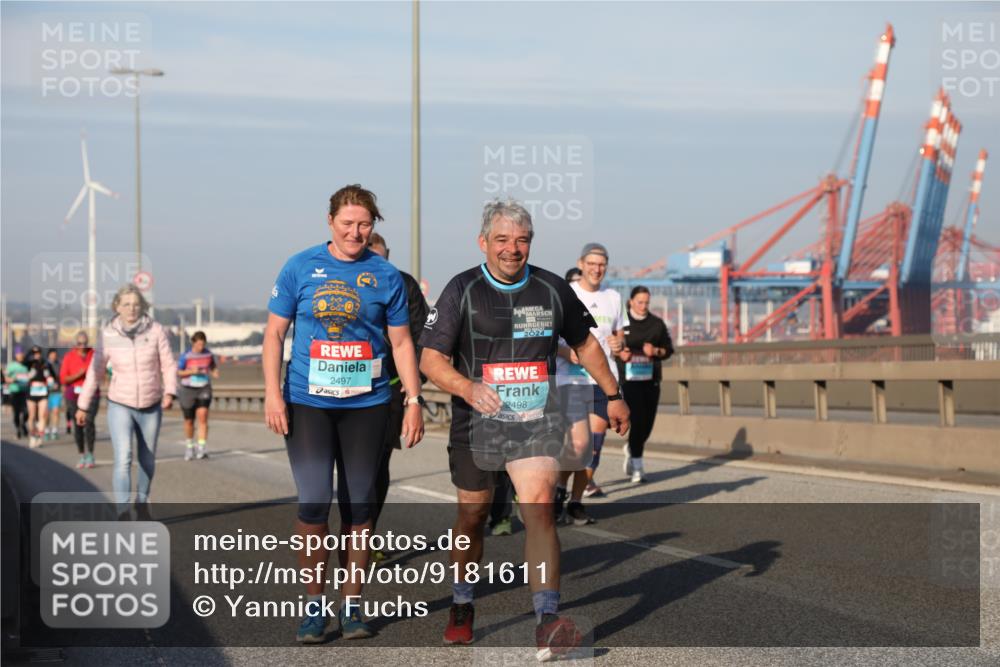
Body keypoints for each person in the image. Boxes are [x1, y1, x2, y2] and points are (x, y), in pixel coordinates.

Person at [419, 198, 629, 660]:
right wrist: (467, 388)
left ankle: (547, 620)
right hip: (477, 423)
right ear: (483, 243)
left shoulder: (553, 288)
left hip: (535, 420)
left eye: (522, 240)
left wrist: (613, 395)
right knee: (472, 516)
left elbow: (587, 346)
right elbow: (430, 359)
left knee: (538, 509)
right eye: (502, 240)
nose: (512, 249)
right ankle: (461, 602)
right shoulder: (462, 289)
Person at [263, 184, 424, 643]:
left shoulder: (386, 276)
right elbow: (275, 335)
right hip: (308, 403)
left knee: (359, 507)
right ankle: (314, 607)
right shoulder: (299, 267)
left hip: (368, 406)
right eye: (348, 223)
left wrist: (412, 400)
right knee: (314, 504)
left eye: (365, 224)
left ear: (374, 226)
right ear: (330, 221)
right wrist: (273, 394)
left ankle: (352, 605)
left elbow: (402, 342)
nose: (356, 232)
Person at [77, 285, 177, 517]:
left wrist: (170, 392)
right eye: (126, 304)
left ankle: (141, 501)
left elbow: (169, 364)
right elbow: (96, 370)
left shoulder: (156, 331)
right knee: (123, 458)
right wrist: (83, 404)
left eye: (135, 304)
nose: (131, 309)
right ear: (116, 307)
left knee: (147, 459)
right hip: (120, 403)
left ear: (142, 306)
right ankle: (122, 510)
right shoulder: (108, 334)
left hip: (151, 403)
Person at [366, 232, 429, 561]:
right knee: (353, 467)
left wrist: (417, 379)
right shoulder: (344, 281)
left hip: (390, 387)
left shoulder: (403, 285)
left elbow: (425, 333)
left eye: (382, 257)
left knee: (377, 466)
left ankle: (365, 534)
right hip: (347, 389)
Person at [554, 243, 627, 525]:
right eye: (592, 263)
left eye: (602, 264)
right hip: (570, 379)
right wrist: (565, 352)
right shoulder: (567, 293)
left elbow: (619, 338)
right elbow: (550, 337)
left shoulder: (614, 297)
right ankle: (559, 491)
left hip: (603, 380)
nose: (597, 269)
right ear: (581, 264)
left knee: (592, 448)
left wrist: (620, 345)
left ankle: (576, 503)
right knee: (577, 445)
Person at [618, 286, 673, 483]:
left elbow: (669, 349)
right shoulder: (621, 323)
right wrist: (619, 353)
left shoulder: (656, 324)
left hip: (651, 381)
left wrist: (656, 351)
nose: (643, 306)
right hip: (628, 381)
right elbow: (609, 344)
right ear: (631, 301)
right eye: (639, 302)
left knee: (647, 424)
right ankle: (638, 466)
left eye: (646, 303)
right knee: (638, 419)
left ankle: (631, 448)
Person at [177, 331, 219, 461]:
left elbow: (212, 366)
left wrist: (214, 372)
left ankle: (202, 447)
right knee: (189, 421)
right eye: (199, 344)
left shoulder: (208, 354)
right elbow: (179, 372)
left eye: (203, 344)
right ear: (193, 343)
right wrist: (190, 371)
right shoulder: (186, 356)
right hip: (187, 389)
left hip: (203, 388)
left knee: (203, 416)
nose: (201, 347)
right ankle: (189, 446)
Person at [62, 331, 99, 469]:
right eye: (79, 343)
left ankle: (90, 453)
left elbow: (101, 372)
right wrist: (79, 374)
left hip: (92, 394)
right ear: (75, 344)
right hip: (74, 395)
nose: (82, 346)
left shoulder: (94, 355)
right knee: (78, 424)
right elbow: (63, 378)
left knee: (89, 422)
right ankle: (82, 454)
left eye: (85, 343)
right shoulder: (69, 357)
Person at [24, 346, 55, 448]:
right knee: (32, 416)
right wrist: (30, 352)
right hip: (32, 392)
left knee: (42, 415)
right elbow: (24, 361)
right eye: (34, 353)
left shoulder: (45, 363)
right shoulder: (29, 363)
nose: (36, 354)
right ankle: (33, 436)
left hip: (43, 392)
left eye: (38, 353)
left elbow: (53, 376)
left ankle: (40, 437)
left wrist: (52, 381)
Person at [5, 347, 29, 439]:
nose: (21, 356)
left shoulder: (26, 365)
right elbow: (5, 378)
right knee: (16, 413)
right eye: (19, 354)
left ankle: (23, 424)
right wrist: (12, 379)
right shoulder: (12, 366)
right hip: (15, 392)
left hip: (25, 392)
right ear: (16, 355)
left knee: (27, 412)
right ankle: (18, 428)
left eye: (22, 354)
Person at [45, 348, 63, 441]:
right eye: (52, 354)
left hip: (57, 392)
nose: (53, 356)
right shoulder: (45, 365)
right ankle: (47, 430)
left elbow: (62, 376)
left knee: (56, 411)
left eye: (55, 355)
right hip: (46, 392)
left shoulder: (59, 364)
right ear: (48, 355)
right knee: (46, 413)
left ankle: (55, 431)